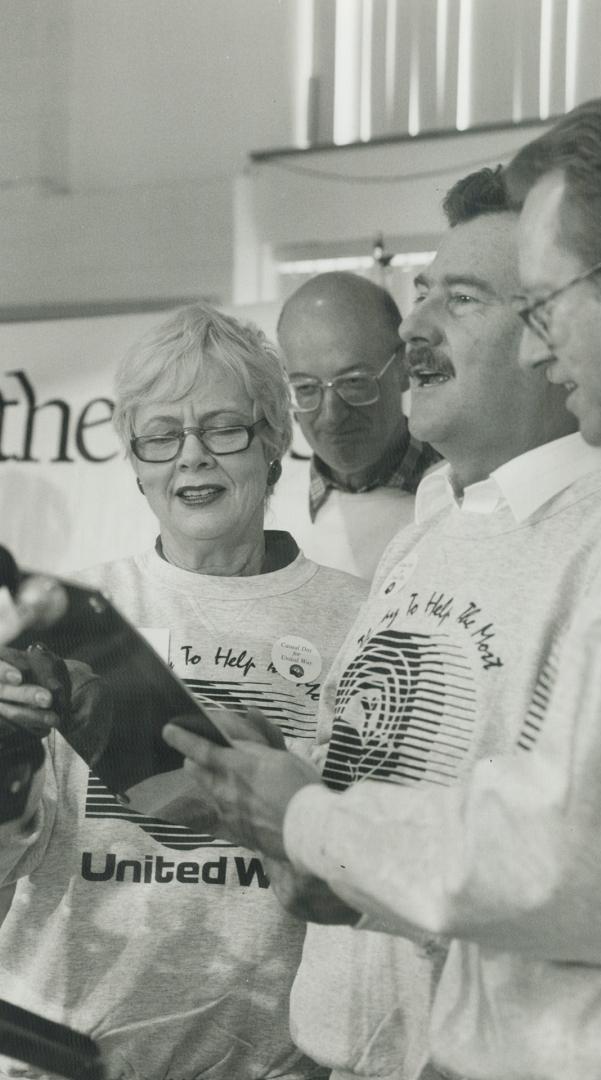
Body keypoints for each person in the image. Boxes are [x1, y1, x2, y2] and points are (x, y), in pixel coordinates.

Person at [164, 167, 601, 1080]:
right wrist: (273, 768)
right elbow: (388, 781)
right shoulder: (431, 534)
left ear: (555, 329)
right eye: (421, 293)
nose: (413, 329)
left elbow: (553, 874)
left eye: (460, 299)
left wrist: (311, 819)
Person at [0, 303, 367, 1080]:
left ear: (273, 443)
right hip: (65, 1059)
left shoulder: (361, 617)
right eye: (161, 436)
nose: (190, 458)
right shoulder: (66, 617)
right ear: (135, 461)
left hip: (273, 1064)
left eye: (223, 428)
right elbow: (9, 857)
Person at [271, 272, 440, 580]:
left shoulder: (458, 496)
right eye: (307, 388)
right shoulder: (269, 512)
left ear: (406, 366)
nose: (332, 414)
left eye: (354, 382)